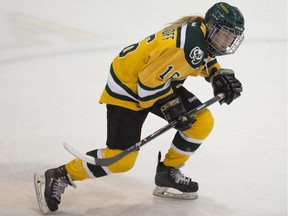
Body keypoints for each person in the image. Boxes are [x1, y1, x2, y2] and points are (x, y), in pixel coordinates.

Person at [41, 2, 245, 212]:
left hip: (158, 81)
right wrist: (171, 105)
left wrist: (216, 74)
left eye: (231, 37)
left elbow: (201, 59)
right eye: (225, 35)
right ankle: (62, 174)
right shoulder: (190, 44)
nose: (227, 42)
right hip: (128, 88)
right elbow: (146, 82)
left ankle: (168, 171)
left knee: (201, 122)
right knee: (121, 160)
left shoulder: (200, 35)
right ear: (211, 26)